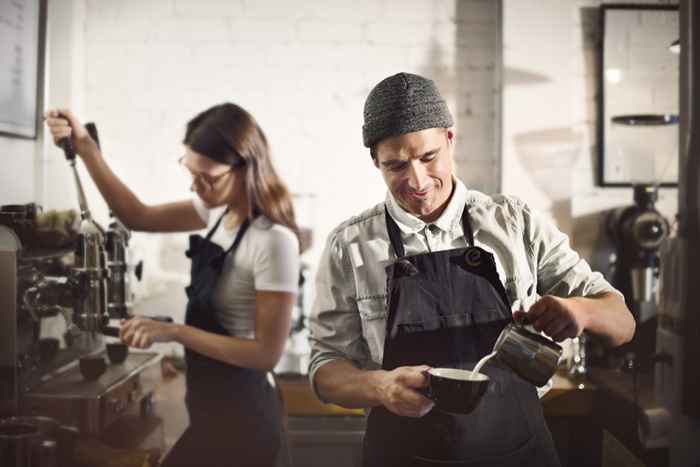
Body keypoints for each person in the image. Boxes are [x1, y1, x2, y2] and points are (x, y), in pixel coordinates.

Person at [308, 72, 635, 467]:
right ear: (375, 161)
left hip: (518, 453)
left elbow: (622, 323)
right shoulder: (351, 245)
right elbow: (326, 369)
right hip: (401, 455)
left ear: (449, 139)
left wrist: (580, 311)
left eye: (428, 157)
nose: (417, 181)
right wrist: (379, 386)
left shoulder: (515, 223)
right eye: (395, 165)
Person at [45, 103, 300, 467]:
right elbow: (137, 215)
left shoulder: (273, 241)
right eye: (189, 170)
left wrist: (175, 332)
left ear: (246, 168)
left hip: (246, 418)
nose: (195, 186)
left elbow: (265, 354)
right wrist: (85, 147)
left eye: (207, 177)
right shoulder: (214, 213)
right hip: (207, 409)